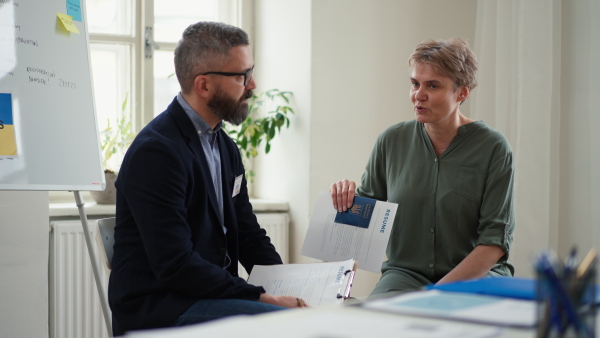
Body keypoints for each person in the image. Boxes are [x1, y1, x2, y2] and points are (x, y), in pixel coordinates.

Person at [108, 21, 303, 336]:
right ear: (204, 85)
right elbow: (176, 264)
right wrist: (260, 296)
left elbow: (250, 237)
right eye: (242, 76)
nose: (252, 85)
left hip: (204, 296)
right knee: (279, 323)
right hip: (163, 308)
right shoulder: (157, 153)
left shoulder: (223, 145)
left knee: (300, 315)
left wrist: (292, 285)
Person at [331, 38, 515, 299]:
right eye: (415, 83)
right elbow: (364, 222)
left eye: (433, 86)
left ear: (462, 92)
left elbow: (494, 242)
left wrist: (434, 296)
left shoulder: (493, 148)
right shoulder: (391, 140)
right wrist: (346, 199)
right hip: (405, 276)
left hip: (476, 277)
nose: (419, 94)